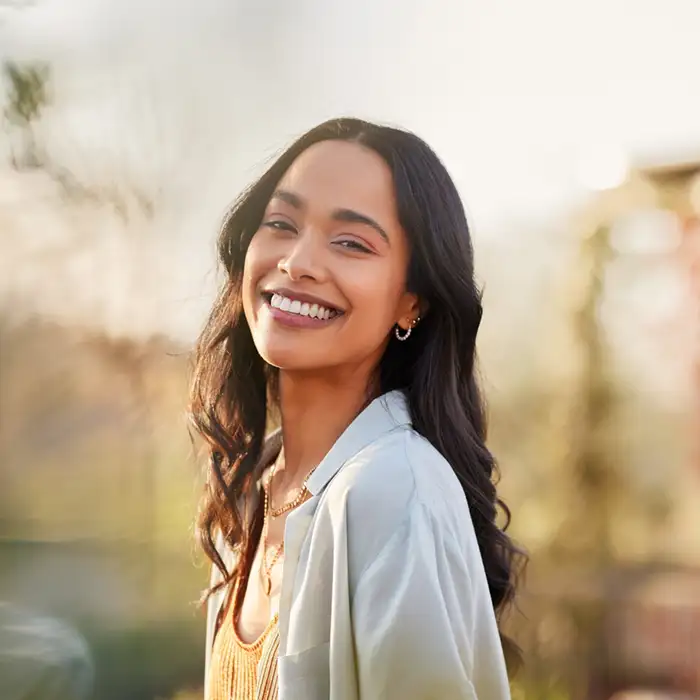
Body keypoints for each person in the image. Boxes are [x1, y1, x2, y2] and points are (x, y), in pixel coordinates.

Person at [189, 117, 526, 700]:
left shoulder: (393, 488)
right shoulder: (256, 488)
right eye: (281, 224)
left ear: (411, 301)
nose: (297, 262)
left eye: (351, 243)